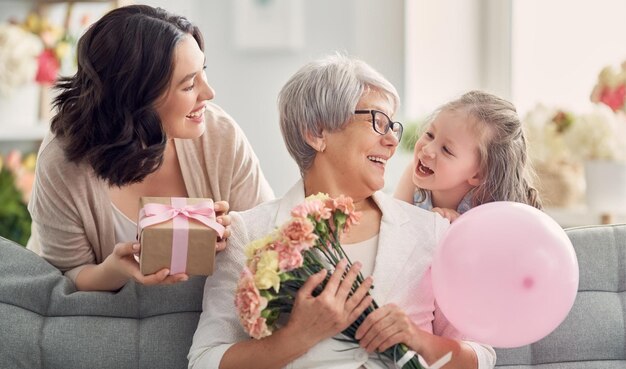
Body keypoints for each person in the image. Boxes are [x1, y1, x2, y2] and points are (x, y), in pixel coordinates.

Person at [188, 55, 496, 369]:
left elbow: (481, 356)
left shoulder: (432, 231)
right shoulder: (248, 233)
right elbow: (204, 361)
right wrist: (295, 338)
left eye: (393, 126)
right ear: (317, 132)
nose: (392, 141)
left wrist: (419, 340)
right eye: (378, 121)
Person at [27, 5, 274, 292]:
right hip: (99, 313)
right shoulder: (62, 161)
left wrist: (236, 233)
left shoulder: (220, 135)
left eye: (202, 72)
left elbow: (268, 241)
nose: (209, 93)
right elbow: (65, 275)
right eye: (189, 84)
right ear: (137, 98)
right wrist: (115, 270)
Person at [395, 90, 542, 222]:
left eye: (446, 150)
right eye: (429, 135)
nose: (427, 149)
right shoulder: (413, 175)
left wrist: (460, 228)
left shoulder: (490, 210)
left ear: (478, 174)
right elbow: (395, 225)